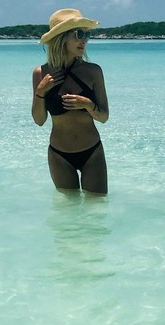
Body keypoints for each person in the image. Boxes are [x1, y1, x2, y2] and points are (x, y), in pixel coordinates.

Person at [31, 8, 109, 195]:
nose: (84, 40)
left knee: (97, 210)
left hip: (92, 152)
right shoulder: (40, 74)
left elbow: (104, 117)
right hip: (59, 155)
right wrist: (40, 92)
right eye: (79, 34)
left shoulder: (93, 71)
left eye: (87, 34)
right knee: (68, 215)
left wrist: (88, 105)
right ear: (61, 38)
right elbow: (39, 120)